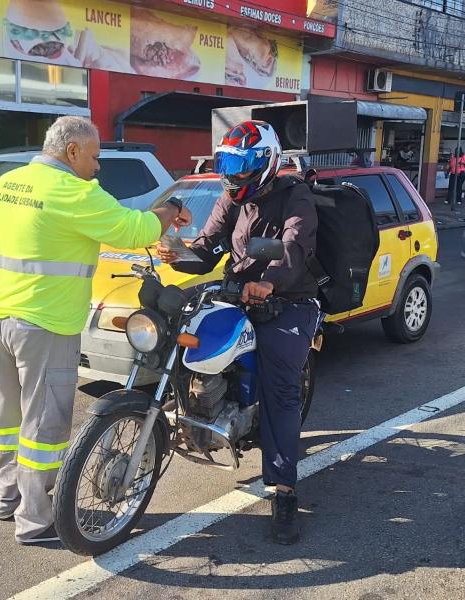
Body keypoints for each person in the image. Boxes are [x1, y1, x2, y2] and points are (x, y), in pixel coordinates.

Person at [0, 116, 192, 545]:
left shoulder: (6, 186)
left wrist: (0, 300)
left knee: (6, 418)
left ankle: (6, 497)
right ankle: (35, 521)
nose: (97, 166)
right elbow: (135, 229)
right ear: (72, 152)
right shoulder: (73, 191)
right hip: (43, 327)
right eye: (94, 157)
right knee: (43, 427)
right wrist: (171, 210)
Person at [156, 121, 321, 545]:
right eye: (229, 162)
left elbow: (294, 246)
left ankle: (284, 491)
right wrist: (176, 254)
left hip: (290, 299)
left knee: (280, 386)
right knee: (184, 338)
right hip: (238, 291)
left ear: (266, 163)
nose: (235, 173)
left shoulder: (294, 194)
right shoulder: (232, 198)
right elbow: (210, 245)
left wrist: (270, 281)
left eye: (244, 164)